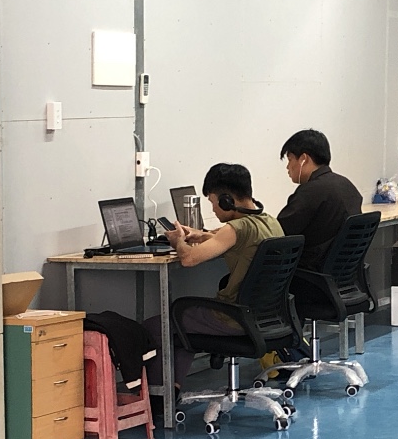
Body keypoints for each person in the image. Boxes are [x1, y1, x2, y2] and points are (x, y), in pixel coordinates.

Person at [148, 163, 283, 390]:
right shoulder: (270, 221)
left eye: (213, 202)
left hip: (233, 319)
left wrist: (178, 241)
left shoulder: (236, 228)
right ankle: (172, 387)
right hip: (266, 316)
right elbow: (232, 239)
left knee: (159, 325)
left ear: (226, 200)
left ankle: (160, 396)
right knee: (182, 324)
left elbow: (188, 259)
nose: (213, 210)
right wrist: (201, 235)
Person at [276, 128, 363, 272]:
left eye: (290, 159)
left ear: (304, 159)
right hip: (344, 272)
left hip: (310, 273)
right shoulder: (347, 186)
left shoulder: (310, 191)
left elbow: (279, 233)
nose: (287, 167)